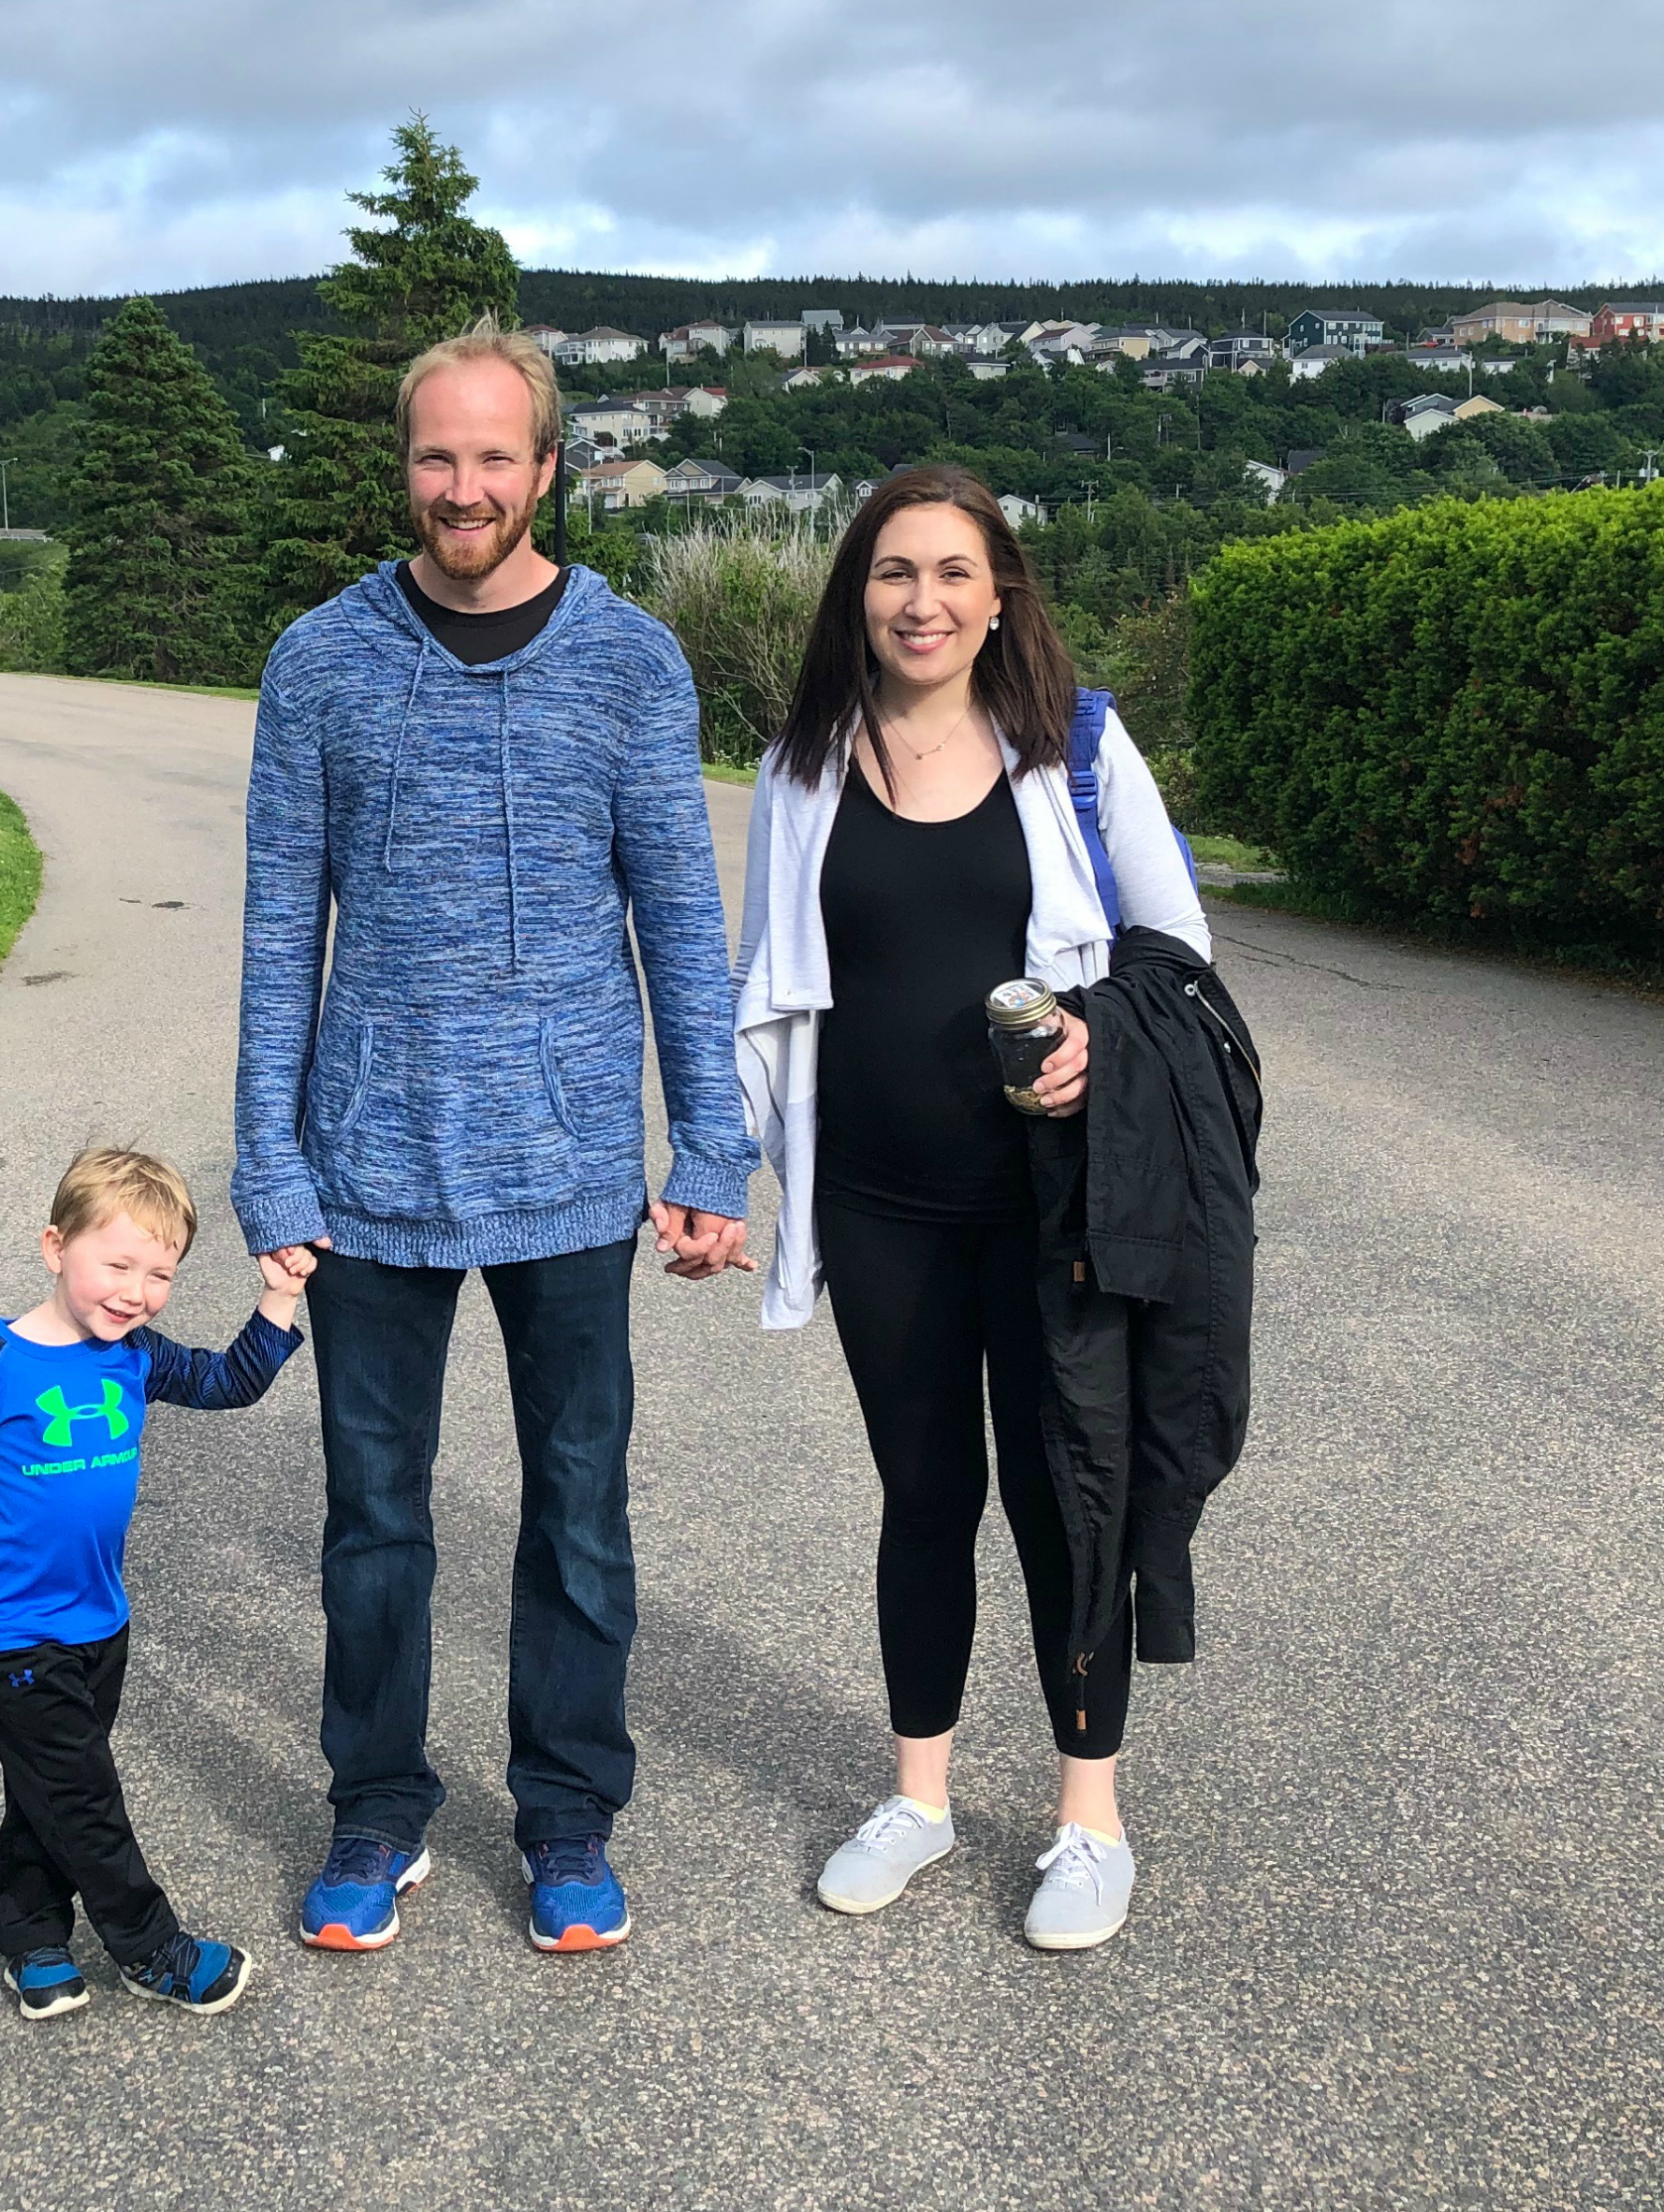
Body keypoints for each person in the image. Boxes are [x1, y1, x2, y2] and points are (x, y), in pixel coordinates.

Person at [234, 315, 757, 1957]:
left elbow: (680, 915)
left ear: (547, 468)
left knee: (576, 1500)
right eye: (433, 455)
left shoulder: (628, 663)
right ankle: (375, 1803)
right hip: (369, 1161)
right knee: (373, 1512)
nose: (462, 486)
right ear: (403, 467)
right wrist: (270, 1155)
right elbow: (273, 934)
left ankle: (566, 1809)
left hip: (568, 1162)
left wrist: (708, 1152)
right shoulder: (316, 660)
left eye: (492, 456)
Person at [731, 465, 1257, 1952]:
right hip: (883, 1209)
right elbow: (767, 989)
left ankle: (1091, 1819)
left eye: (955, 574)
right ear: (859, 592)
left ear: (1000, 593)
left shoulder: (1072, 747)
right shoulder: (804, 760)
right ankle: (923, 1797)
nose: (923, 602)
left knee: (1057, 1499)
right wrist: (727, 1168)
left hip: (1050, 1206)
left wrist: (1101, 1040)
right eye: (896, 573)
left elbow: (1178, 942)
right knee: (924, 1497)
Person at [0, 1147, 312, 2020]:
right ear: (54, 1246)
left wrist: (280, 1294)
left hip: (100, 1619)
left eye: (160, 1274)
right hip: (8, 1629)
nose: (136, 1291)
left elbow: (230, 1382)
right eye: (117, 1264)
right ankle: (152, 1949)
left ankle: (30, 1935)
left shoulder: (136, 1356)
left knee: (50, 1788)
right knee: (83, 1793)